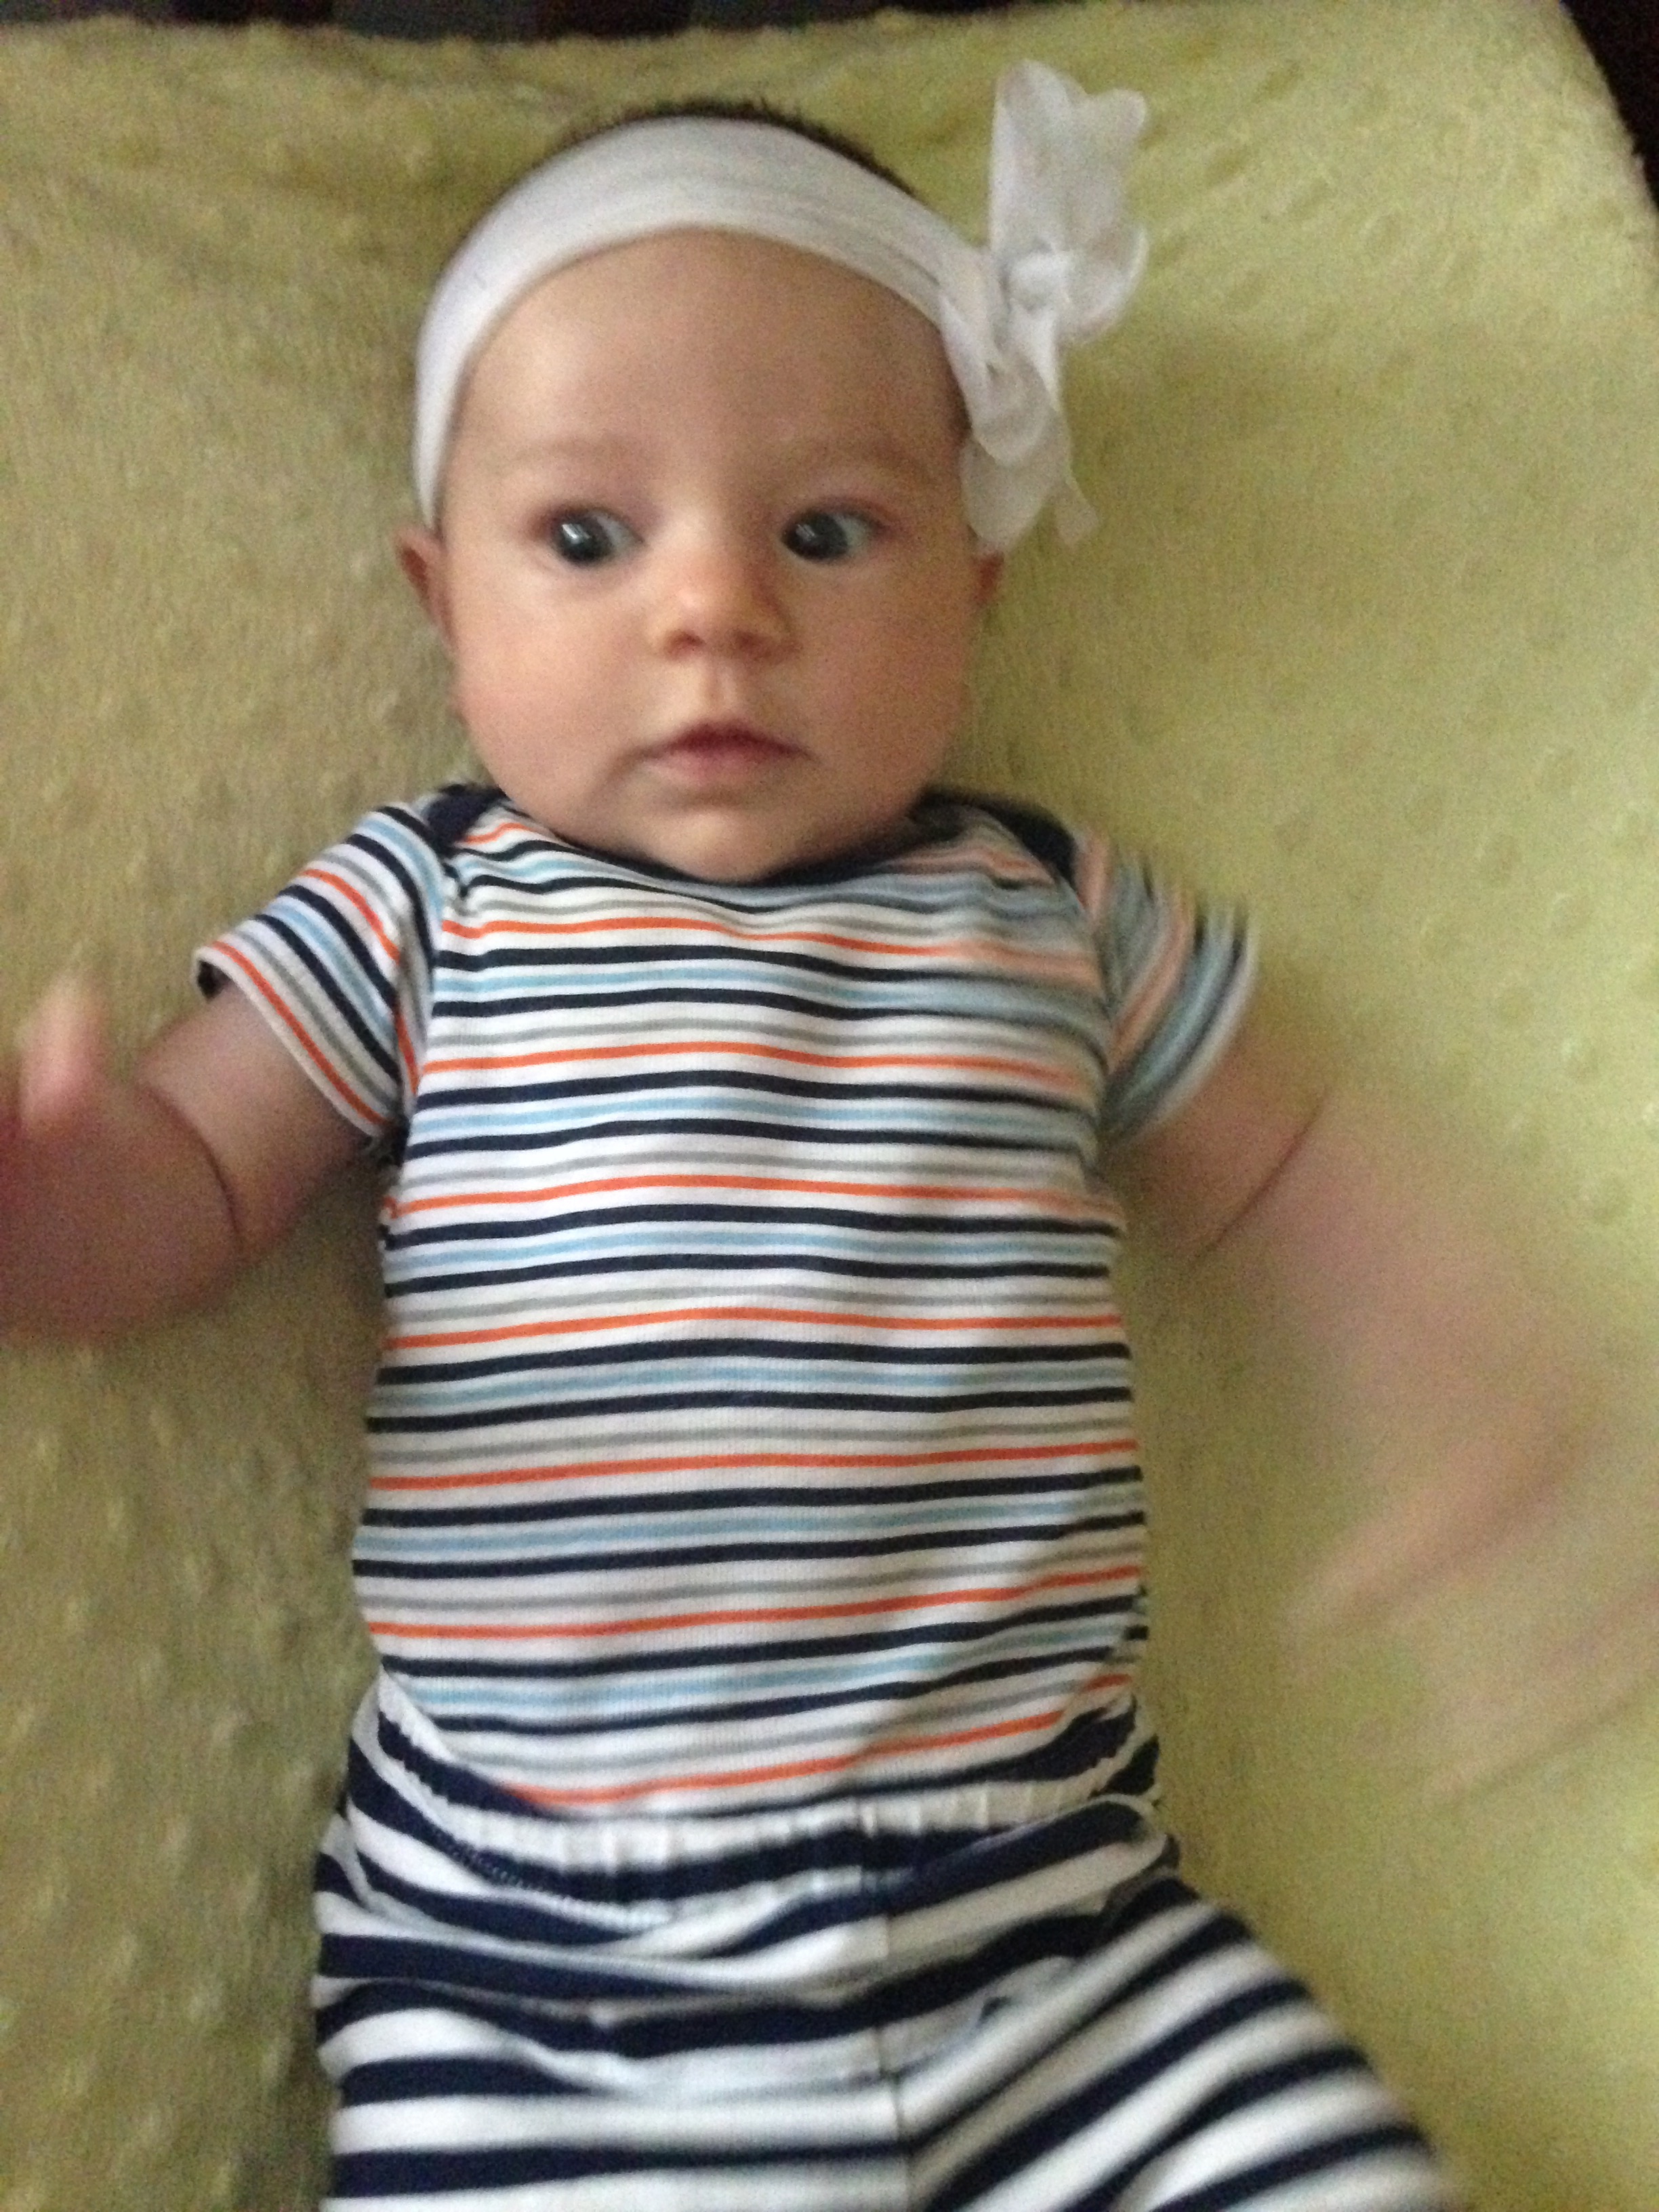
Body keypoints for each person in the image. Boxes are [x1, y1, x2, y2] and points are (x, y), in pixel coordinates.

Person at [5, 57, 1604, 2210]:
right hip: (551, 1972)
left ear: (979, 583)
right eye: (588, 537)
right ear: (440, 596)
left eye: (827, 532)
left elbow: (1300, 1161)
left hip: (1063, 1939)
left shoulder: (1058, 911)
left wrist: (1472, 1380)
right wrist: (55, 1199)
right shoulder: (431, 905)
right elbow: (195, 1181)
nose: (713, 609)